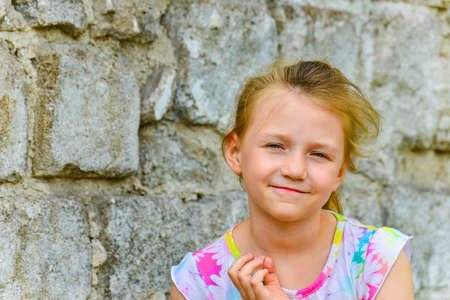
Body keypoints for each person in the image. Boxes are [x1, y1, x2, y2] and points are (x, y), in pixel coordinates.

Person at [170, 60, 414, 299]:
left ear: (339, 172)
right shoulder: (198, 282)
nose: (295, 170)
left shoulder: (377, 260)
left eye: (319, 154)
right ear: (235, 152)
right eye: (276, 146)